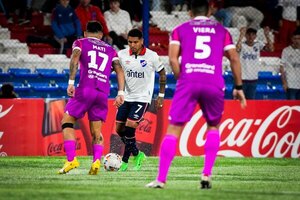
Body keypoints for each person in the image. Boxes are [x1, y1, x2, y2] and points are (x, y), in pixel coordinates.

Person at [146, 0, 246, 189]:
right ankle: (206, 175)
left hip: (189, 80)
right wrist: (239, 87)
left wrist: (182, 78)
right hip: (213, 81)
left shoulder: (180, 29)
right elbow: (234, 57)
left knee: (174, 128)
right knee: (213, 126)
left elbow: (173, 59)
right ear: (210, 11)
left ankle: (161, 180)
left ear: (190, 13)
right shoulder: (222, 31)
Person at [58, 21, 125, 175]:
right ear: (101, 35)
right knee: (97, 132)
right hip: (102, 93)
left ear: (85, 33)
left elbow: (75, 58)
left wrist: (70, 82)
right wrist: (121, 93)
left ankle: (71, 159)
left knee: (67, 122)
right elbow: (119, 70)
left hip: (85, 89)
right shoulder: (110, 49)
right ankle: (95, 162)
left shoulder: (80, 42)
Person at [115, 28, 166, 171]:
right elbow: (115, 70)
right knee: (119, 129)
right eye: (130, 42)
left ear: (142, 41)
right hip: (126, 97)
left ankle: (125, 161)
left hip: (142, 98)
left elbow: (163, 74)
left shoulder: (152, 56)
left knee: (130, 126)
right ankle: (137, 154)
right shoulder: (122, 55)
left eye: (135, 42)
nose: (132, 45)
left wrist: (161, 96)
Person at [236, 26, 274, 99]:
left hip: (253, 78)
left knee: (251, 102)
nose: (251, 36)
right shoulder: (242, 45)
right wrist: (241, 36)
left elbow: (271, 49)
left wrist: (267, 35)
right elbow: (237, 48)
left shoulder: (258, 44)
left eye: (253, 34)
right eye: (248, 34)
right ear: (245, 36)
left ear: (255, 36)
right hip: (242, 78)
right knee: (239, 101)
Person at [280, 28, 300, 100]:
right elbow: (282, 67)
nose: (297, 41)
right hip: (291, 84)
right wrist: (284, 82)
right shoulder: (286, 50)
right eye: (295, 38)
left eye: (298, 38)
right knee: (292, 105)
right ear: (292, 39)